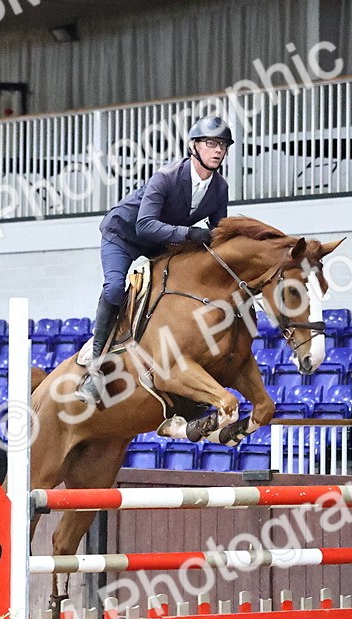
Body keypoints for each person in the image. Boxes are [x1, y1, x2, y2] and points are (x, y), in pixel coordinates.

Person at [76, 115, 234, 403]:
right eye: (211, 143)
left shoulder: (219, 188)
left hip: (161, 242)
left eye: (223, 145)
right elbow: (144, 225)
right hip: (124, 235)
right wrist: (189, 234)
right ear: (194, 146)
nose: (218, 150)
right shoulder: (167, 177)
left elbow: (218, 232)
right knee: (113, 288)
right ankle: (96, 366)